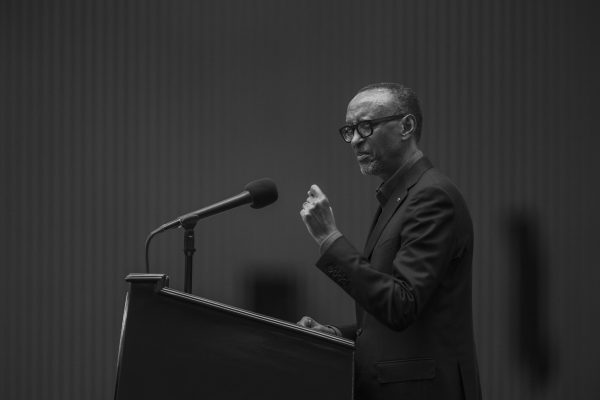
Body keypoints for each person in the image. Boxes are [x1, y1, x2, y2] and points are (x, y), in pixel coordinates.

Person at [298, 83, 482, 400]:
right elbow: (390, 319)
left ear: (406, 126)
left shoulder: (432, 197)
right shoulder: (400, 197)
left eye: (366, 126)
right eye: (349, 130)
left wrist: (330, 238)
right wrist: (335, 335)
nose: (355, 140)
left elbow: (401, 305)